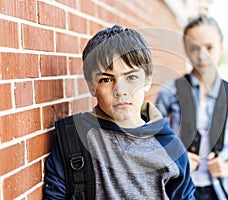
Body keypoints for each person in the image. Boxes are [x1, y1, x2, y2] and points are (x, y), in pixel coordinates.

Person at [43, 25, 195, 200]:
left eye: (131, 77)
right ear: (92, 86)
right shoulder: (72, 138)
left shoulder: (171, 147)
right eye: (106, 79)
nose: (120, 90)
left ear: (147, 80)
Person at [155, 15, 228, 200]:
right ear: (186, 49)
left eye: (209, 47)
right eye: (194, 48)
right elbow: (151, 137)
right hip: (180, 188)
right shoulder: (171, 90)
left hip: (220, 190)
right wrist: (176, 155)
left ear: (221, 46)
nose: (202, 55)